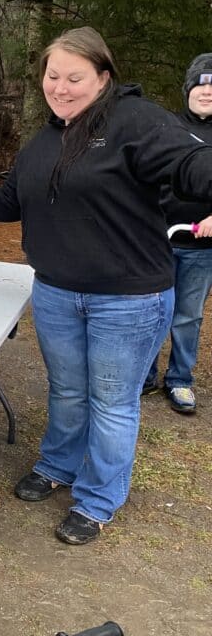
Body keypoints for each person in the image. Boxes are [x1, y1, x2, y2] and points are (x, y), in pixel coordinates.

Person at [0, 27, 212, 545]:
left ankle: (98, 499)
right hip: (56, 292)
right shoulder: (46, 140)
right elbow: (11, 202)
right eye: (53, 76)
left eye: (75, 77)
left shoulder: (135, 122)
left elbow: (189, 164)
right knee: (70, 390)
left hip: (128, 300)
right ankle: (57, 464)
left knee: (112, 402)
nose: (61, 87)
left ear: (103, 77)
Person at [143, 53, 212, 414]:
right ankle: (145, 374)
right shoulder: (166, 127)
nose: (208, 91)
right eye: (202, 84)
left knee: (188, 315)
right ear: (188, 89)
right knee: (154, 309)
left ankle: (180, 380)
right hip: (159, 241)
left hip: (202, 249)